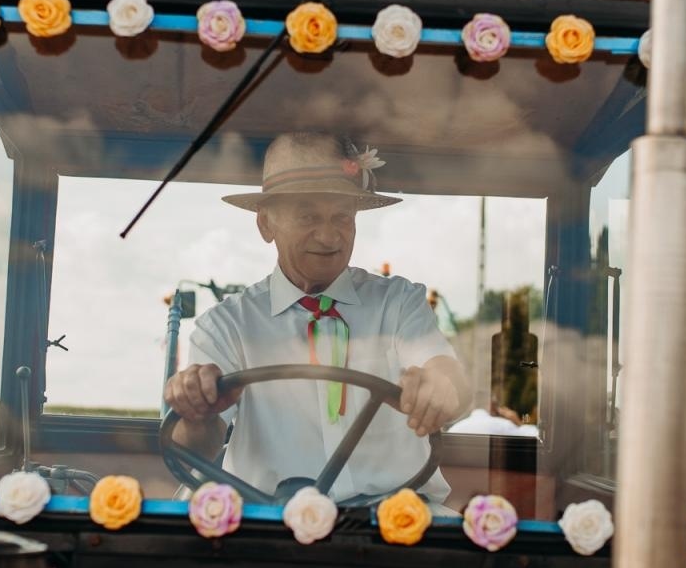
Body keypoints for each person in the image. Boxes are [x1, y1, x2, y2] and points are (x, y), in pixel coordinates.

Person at [164, 133, 470, 502]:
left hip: (395, 517)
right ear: (266, 225)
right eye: (308, 216)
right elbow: (194, 447)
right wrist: (196, 410)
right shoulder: (225, 325)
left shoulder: (399, 301)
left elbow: (445, 372)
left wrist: (440, 386)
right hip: (269, 521)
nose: (329, 236)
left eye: (342, 216)